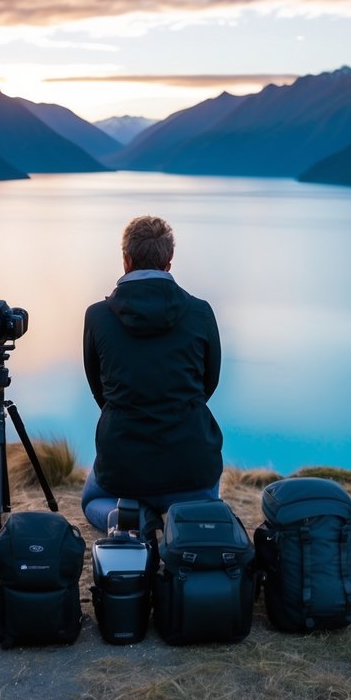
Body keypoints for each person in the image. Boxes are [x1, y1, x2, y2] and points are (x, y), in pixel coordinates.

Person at [80, 215, 223, 532]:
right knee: (201, 496)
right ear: (169, 261)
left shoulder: (98, 316)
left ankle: (133, 519)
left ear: (126, 260)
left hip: (124, 465)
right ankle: (187, 516)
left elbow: (98, 387)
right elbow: (208, 383)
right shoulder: (200, 312)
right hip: (191, 463)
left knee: (93, 501)